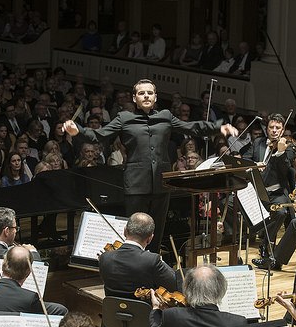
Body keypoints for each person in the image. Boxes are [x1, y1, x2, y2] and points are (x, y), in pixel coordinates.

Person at [63, 79, 237, 253]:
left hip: (161, 184)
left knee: (157, 230)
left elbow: (191, 127)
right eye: (141, 93)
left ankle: (152, 266)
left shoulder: (166, 116)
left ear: (155, 97)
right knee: (135, 233)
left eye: (149, 93)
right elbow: (99, 135)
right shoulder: (124, 118)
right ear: (134, 98)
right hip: (136, 184)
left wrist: (217, 127)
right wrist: (77, 131)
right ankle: (134, 268)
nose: (146, 96)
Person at [149, 264, 247, 327]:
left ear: (187, 289)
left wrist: (156, 309)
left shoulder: (172, 315)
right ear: (220, 290)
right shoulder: (238, 323)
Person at [243, 113, 294, 268]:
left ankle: (266, 244)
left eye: (277, 128)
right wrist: (254, 165)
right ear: (267, 128)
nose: (274, 130)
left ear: (283, 129)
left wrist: (280, 152)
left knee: (280, 213)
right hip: (257, 191)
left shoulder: (288, 147)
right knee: (231, 203)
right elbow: (245, 158)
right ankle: (246, 235)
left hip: (277, 192)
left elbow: (285, 170)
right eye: (271, 127)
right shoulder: (258, 142)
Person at [98, 212, 176, 299]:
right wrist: (161, 261)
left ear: (124, 231)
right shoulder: (152, 260)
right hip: (145, 312)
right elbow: (173, 284)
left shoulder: (104, 258)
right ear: (150, 238)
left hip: (112, 310)